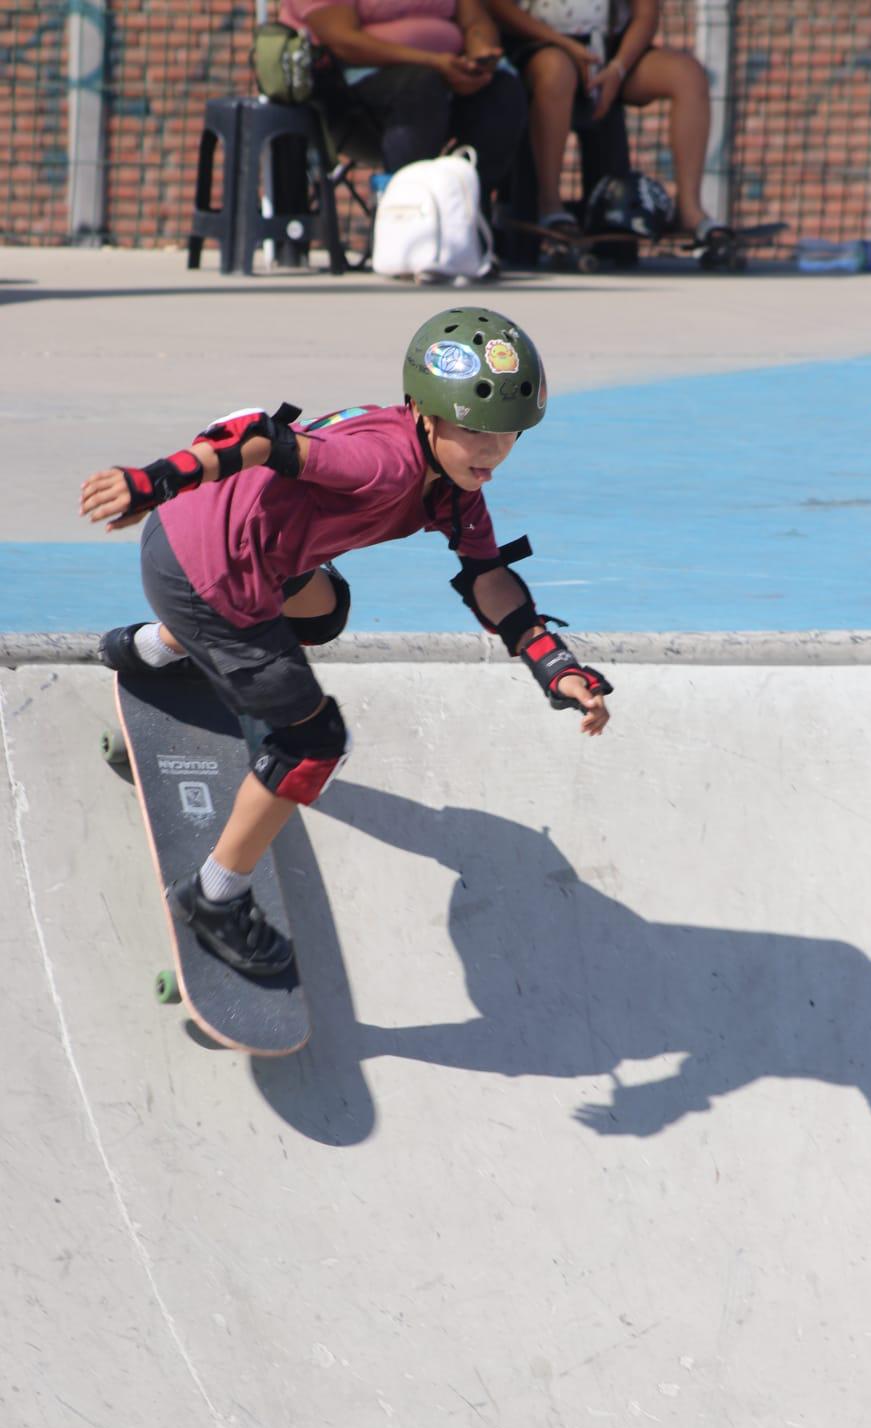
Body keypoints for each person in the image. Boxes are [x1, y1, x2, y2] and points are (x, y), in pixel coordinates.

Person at [79, 308, 612, 979]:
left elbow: (488, 578)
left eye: (507, 435)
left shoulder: (452, 489)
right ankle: (215, 897)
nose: (492, 452)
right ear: (423, 412)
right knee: (314, 744)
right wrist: (153, 480)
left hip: (235, 550)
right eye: (475, 432)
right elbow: (260, 437)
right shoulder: (384, 463)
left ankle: (151, 649)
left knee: (325, 611)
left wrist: (554, 664)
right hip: (208, 574)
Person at [485, 0, 717, 239]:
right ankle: (549, 204)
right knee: (556, 71)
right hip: (540, 43)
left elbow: (645, 15)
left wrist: (618, 68)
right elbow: (498, 7)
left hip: (610, 49)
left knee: (688, 75)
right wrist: (564, 44)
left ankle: (689, 209)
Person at [280, 0, 527, 206]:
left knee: (502, 89)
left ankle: (467, 210)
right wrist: (433, 62)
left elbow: (475, 18)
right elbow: (342, 40)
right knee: (421, 85)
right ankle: (408, 211)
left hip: (446, 73)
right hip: (350, 86)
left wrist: (477, 53)